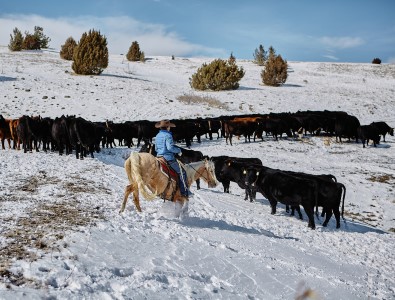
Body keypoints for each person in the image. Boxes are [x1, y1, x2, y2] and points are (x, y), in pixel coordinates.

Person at [154, 119, 192, 198]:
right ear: (167, 127)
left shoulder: (157, 135)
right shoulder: (168, 135)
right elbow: (170, 147)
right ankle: (184, 192)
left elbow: (156, 149)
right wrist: (178, 150)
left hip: (158, 157)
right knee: (183, 172)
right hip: (168, 158)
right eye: (169, 126)